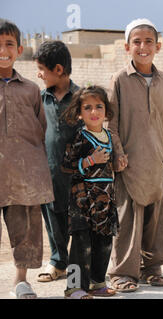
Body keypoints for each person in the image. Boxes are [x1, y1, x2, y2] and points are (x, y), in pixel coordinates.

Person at [107, 18, 163, 292]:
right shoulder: (120, 80)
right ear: (127, 47)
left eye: (148, 41)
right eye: (137, 42)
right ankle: (123, 273)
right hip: (128, 161)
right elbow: (110, 122)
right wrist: (118, 154)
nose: (143, 47)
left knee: (155, 218)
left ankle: (152, 268)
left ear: (158, 46)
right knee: (127, 220)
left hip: (155, 159)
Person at [0, 19, 54, 299]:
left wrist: (36, 168)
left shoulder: (32, 89)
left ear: (19, 49)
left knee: (24, 231)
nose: (3, 49)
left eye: (9, 44)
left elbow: (40, 130)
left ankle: (21, 281)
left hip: (22, 174)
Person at [60, 85, 118, 299]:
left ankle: (97, 283)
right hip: (83, 202)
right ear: (79, 113)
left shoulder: (109, 136)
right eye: (88, 108)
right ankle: (74, 287)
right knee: (81, 245)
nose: (94, 112)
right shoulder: (80, 138)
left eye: (98, 107)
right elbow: (66, 166)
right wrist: (90, 160)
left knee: (103, 242)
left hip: (105, 200)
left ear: (106, 111)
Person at [32, 40, 80, 283]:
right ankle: (57, 262)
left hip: (77, 174)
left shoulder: (82, 98)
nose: (38, 74)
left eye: (42, 69)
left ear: (58, 70)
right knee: (53, 217)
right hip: (48, 172)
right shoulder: (40, 99)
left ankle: (80, 265)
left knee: (78, 219)